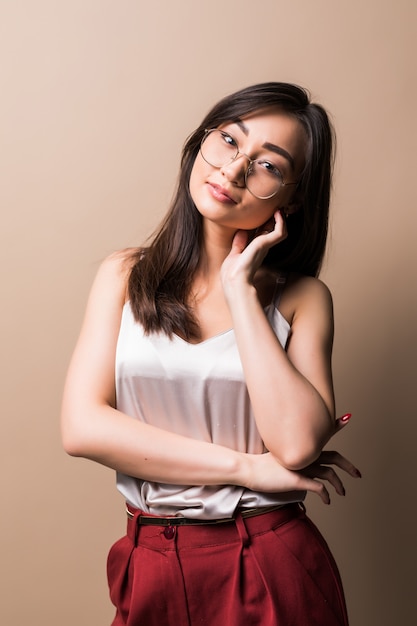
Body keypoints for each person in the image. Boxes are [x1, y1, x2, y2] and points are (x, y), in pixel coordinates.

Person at [61, 82, 361, 626]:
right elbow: (82, 428)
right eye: (228, 140)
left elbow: (294, 445)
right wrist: (246, 469)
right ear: (201, 143)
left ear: (292, 198)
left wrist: (242, 293)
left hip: (268, 555)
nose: (235, 168)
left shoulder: (301, 298)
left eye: (269, 164)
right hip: (151, 555)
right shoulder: (124, 275)